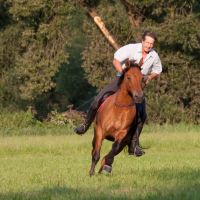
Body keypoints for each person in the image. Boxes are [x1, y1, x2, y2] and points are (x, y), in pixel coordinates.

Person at [74, 30, 162, 157]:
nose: (149, 45)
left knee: (142, 114)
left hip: (137, 86)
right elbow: (116, 60)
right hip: (121, 80)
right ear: (142, 41)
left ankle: (133, 146)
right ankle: (84, 125)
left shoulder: (154, 56)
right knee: (97, 99)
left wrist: (149, 78)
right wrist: (124, 73)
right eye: (147, 42)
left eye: (151, 43)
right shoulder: (130, 48)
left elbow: (157, 70)